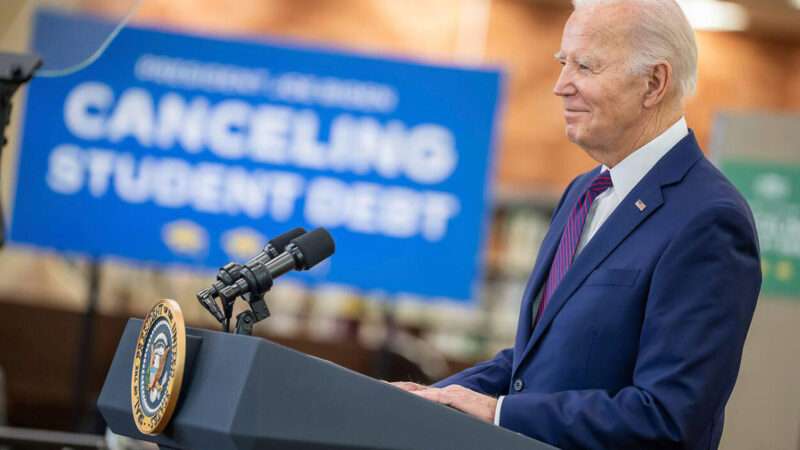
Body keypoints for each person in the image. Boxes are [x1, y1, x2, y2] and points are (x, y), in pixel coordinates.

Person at [392, 0, 762, 448]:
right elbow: (538, 362)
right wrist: (430, 399)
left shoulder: (709, 220)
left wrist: (501, 412)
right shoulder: (583, 192)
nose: (560, 85)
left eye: (585, 66)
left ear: (654, 83)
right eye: (562, 63)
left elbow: (668, 417)